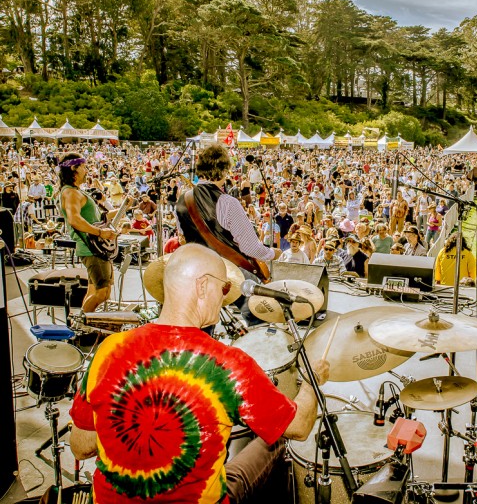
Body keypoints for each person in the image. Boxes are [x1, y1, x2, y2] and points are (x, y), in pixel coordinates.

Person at [69, 244, 329, 503]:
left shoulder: (109, 350)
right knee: (274, 444)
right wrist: (311, 382)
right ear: (203, 286)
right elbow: (299, 426)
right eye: (224, 288)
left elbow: (80, 446)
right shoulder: (228, 365)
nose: (225, 296)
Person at [175, 144, 281, 282]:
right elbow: (250, 248)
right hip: (227, 275)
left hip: (196, 272)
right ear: (224, 170)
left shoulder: (182, 200)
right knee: (259, 300)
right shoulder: (227, 202)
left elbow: (182, 238)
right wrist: (273, 253)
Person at [58, 153, 117, 313]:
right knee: (102, 293)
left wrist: (124, 209)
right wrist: (100, 232)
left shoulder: (76, 191)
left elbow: (96, 218)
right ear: (73, 168)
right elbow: (74, 220)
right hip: (92, 249)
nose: (87, 170)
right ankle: (82, 324)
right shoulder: (70, 193)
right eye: (84, 166)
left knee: (92, 290)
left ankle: (86, 327)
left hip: (93, 248)